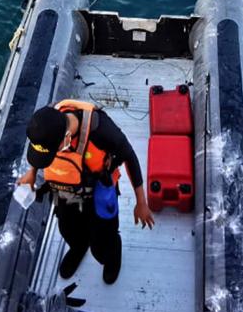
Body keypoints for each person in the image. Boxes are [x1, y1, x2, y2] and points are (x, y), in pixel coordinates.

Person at [18, 100, 154, 285]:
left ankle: (112, 256)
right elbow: (40, 148)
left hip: (98, 193)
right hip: (66, 192)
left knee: (102, 244)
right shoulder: (46, 125)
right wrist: (32, 172)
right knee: (68, 230)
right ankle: (78, 247)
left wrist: (141, 202)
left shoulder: (102, 131)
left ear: (66, 139)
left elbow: (129, 156)